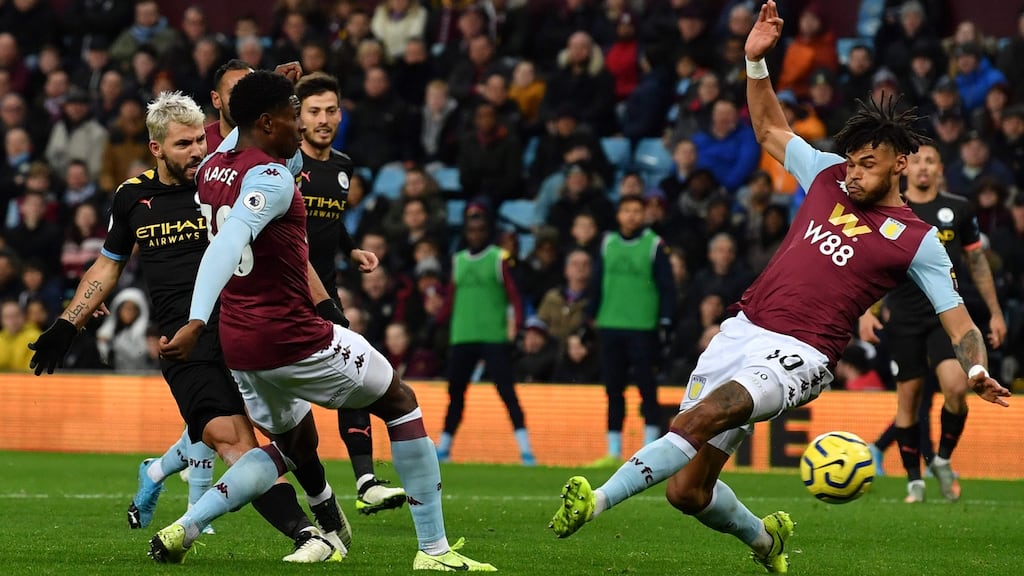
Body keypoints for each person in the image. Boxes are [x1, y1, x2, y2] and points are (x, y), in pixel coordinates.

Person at [548, 4, 1010, 573]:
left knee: (697, 420)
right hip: (744, 328)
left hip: (804, 352)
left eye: (868, 164)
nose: (855, 172)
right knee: (687, 493)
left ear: (901, 164)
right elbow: (769, 128)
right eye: (853, 162)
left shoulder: (917, 240)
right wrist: (755, 62)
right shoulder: (826, 175)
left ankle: (593, 502)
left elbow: (960, 323)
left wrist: (975, 369)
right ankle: (767, 541)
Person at [155, 71, 495, 571]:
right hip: (292, 335)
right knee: (401, 401)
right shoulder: (269, 179)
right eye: (294, 114)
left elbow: (237, 131)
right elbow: (228, 245)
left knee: (292, 448)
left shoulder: (213, 167)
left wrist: (273, 78)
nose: (302, 123)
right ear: (268, 123)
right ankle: (434, 550)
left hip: (243, 343)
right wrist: (195, 320)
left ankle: (188, 524)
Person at [27, 91, 346, 563]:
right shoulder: (133, 196)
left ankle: (325, 505)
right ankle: (306, 534)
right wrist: (67, 324)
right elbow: (107, 267)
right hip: (184, 343)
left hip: (246, 327)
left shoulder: (224, 183)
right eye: (183, 144)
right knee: (231, 440)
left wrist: (322, 303)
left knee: (295, 438)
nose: (197, 151)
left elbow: (286, 242)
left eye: (200, 140)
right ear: (156, 148)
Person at [859, 143, 1007, 503]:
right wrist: (866, 311)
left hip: (946, 314)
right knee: (908, 399)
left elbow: (977, 264)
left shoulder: (959, 209)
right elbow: (872, 264)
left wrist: (996, 311)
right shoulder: (889, 208)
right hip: (905, 315)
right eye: (918, 161)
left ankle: (941, 460)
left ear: (941, 169)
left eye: (931, 161)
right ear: (904, 169)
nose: (924, 168)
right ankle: (914, 482)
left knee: (956, 387)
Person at [294, 71, 407, 514]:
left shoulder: (342, 167)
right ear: (298, 119)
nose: (324, 119)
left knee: (354, 373)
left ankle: (365, 481)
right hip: (286, 292)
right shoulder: (285, 167)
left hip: (327, 293)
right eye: (314, 111)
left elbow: (329, 219)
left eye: (331, 110)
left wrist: (352, 248)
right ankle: (195, 450)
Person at [437, 214, 535, 465]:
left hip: (494, 336)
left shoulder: (497, 259)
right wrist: (436, 324)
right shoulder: (458, 261)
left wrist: (519, 326)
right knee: (456, 393)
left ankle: (526, 450)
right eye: (472, 230)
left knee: (506, 391)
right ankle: (444, 447)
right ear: (466, 233)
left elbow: (514, 296)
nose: (476, 234)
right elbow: (450, 300)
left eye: (481, 230)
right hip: (463, 335)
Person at [588, 195, 676, 466]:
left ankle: (648, 451)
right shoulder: (606, 244)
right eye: (627, 210)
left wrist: (665, 321)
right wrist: (590, 316)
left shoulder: (654, 245)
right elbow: (596, 283)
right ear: (618, 214)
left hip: (642, 327)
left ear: (644, 214)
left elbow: (667, 287)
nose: (632, 216)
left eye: (637, 211)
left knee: (647, 389)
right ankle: (613, 452)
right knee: (613, 389)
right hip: (610, 325)